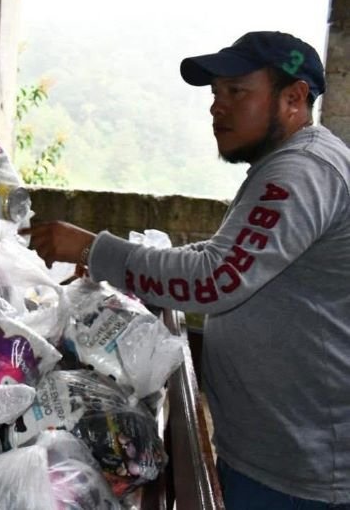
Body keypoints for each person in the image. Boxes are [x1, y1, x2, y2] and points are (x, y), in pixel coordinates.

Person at [26, 31, 350, 508]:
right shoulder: (291, 164)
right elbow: (227, 253)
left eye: (236, 91)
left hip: (298, 472)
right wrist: (117, 265)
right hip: (273, 450)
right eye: (216, 93)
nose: (217, 107)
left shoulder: (302, 171)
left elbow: (215, 277)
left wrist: (94, 248)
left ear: (294, 98)